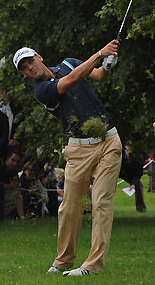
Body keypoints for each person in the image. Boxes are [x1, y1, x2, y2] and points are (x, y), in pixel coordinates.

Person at [14, 40, 122, 276]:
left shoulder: (68, 62)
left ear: (39, 57)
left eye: (30, 61)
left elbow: (98, 75)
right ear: (23, 73)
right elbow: (71, 80)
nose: (29, 67)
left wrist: (108, 64)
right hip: (78, 148)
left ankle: (92, 267)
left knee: (102, 203)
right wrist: (99, 53)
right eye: (24, 67)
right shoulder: (41, 91)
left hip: (109, 141)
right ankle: (63, 261)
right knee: (70, 206)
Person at [120, 144, 146, 212]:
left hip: (131, 175)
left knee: (139, 185)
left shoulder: (138, 160)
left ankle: (141, 208)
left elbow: (138, 174)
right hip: (117, 173)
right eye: (127, 150)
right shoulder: (120, 156)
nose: (128, 152)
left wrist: (133, 184)